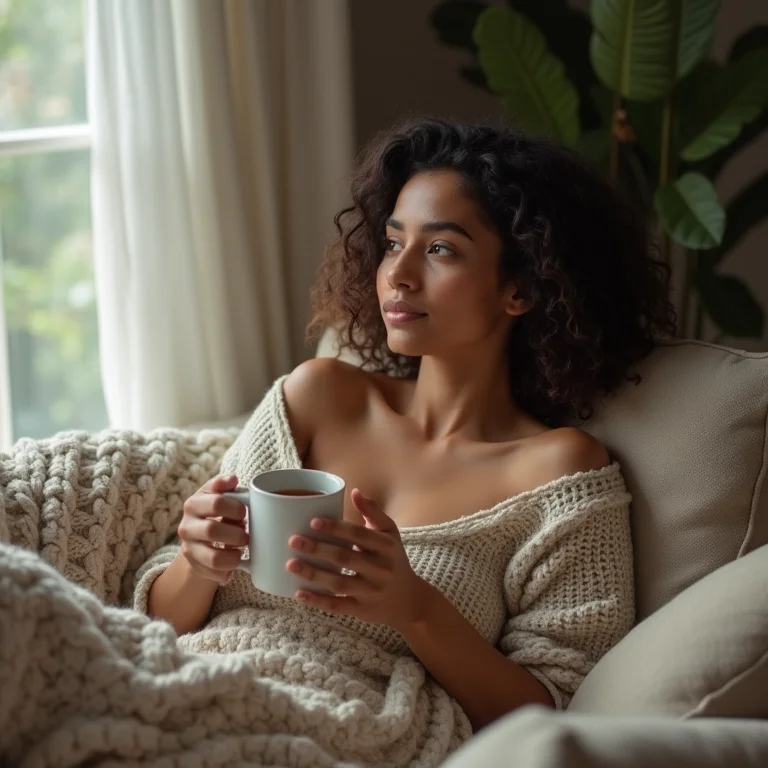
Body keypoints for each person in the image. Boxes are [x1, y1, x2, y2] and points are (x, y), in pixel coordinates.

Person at [137, 117, 676, 761]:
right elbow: (159, 621)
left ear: (520, 288)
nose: (399, 274)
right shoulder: (317, 397)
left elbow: (557, 712)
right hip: (181, 688)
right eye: (394, 243)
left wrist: (414, 606)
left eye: (440, 249)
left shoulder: (560, 474)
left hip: (345, 733)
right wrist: (197, 563)